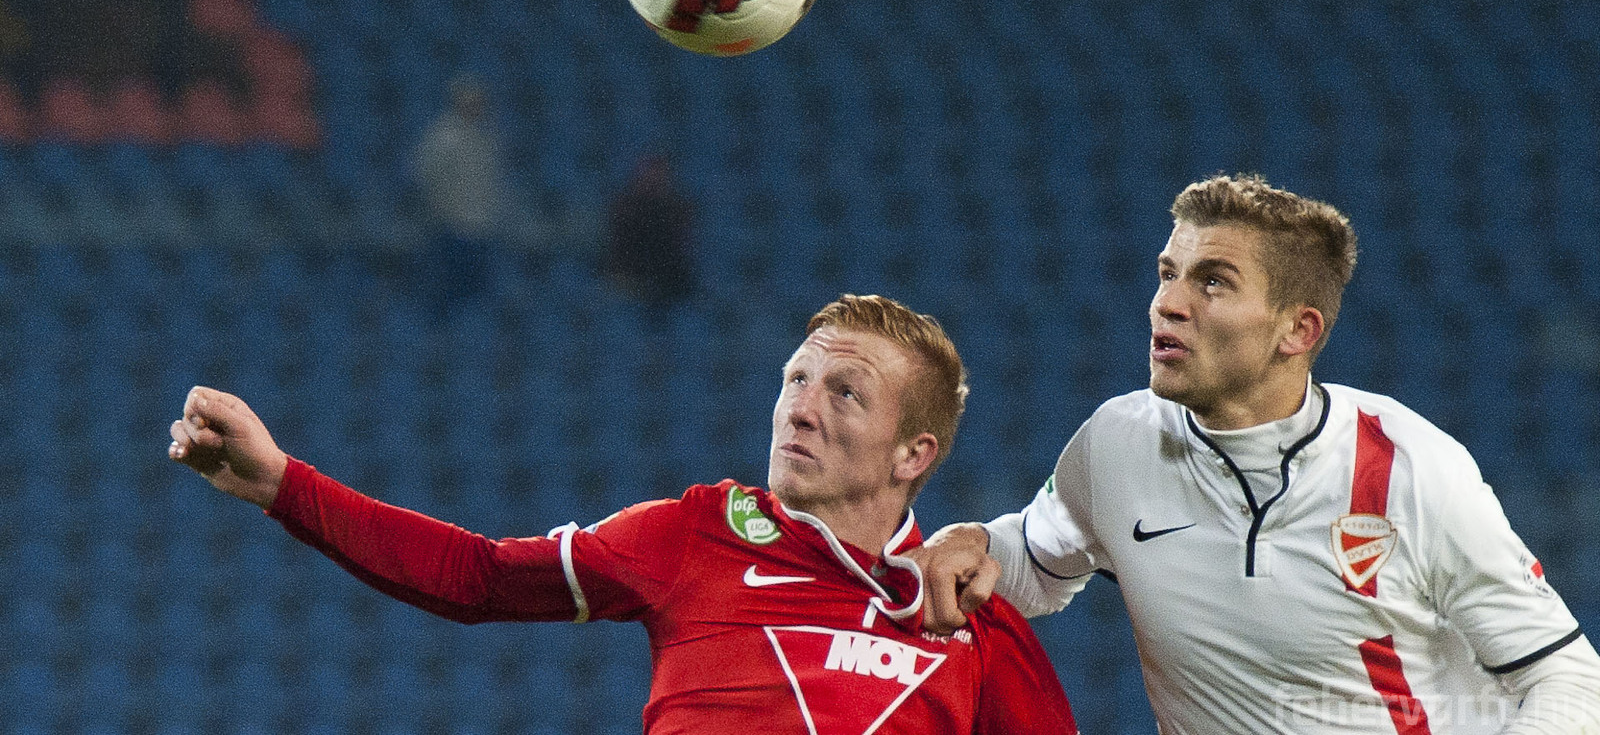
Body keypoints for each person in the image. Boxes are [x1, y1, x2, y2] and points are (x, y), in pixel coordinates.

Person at [167, 294, 1078, 734]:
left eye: (845, 392)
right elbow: (478, 577)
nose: (800, 408)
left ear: (914, 453)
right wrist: (282, 483)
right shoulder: (694, 535)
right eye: (795, 378)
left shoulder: (971, 620)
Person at [914, 174, 1600, 734]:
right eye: (1168, 273)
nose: (1167, 304)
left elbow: (1568, 679)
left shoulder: (1409, 470)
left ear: (1297, 331)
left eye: (1213, 282)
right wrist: (973, 541)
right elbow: (1035, 565)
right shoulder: (1117, 443)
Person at [410, 74, 507, 303]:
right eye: (470, 100)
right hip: (451, 228)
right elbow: (425, 177)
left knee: (478, 295)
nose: (476, 106)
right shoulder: (442, 138)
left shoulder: (486, 138)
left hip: (481, 228)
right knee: (449, 292)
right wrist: (442, 212)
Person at [604, 152, 696, 306]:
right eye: (649, 172)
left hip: (670, 283)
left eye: (659, 173)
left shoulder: (677, 210)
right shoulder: (624, 208)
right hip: (630, 280)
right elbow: (618, 249)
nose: (654, 178)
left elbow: (682, 250)